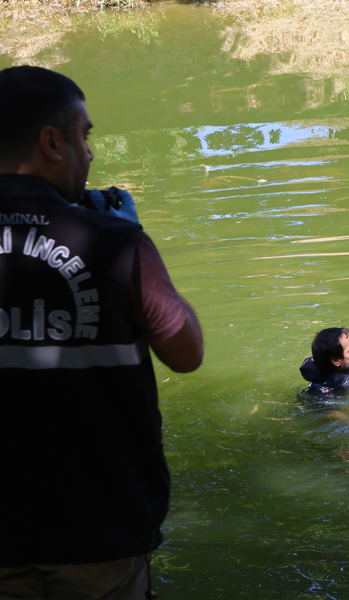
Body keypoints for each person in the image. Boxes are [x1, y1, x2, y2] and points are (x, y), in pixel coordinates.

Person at [0, 66, 203, 599]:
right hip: (100, 533)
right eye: (83, 135)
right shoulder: (115, 242)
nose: (89, 153)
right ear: (51, 141)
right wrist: (133, 235)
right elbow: (186, 353)